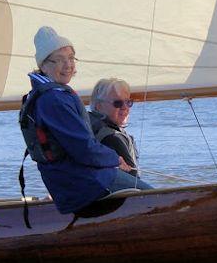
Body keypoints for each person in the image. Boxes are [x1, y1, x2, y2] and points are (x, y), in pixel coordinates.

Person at [20, 26, 151, 215]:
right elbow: (83, 149)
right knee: (155, 198)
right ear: (44, 65)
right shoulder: (54, 100)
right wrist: (115, 159)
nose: (68, 65)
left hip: (73, 185)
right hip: (86, 186)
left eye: (71, 58)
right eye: (59, 60)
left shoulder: (48, 95)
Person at [89, 78, 143, 178]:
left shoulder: (88, 127)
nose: (125, 107)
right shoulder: (113, 138)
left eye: (128, 102)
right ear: (99, 106)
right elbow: (134, 181)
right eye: (118, 103)